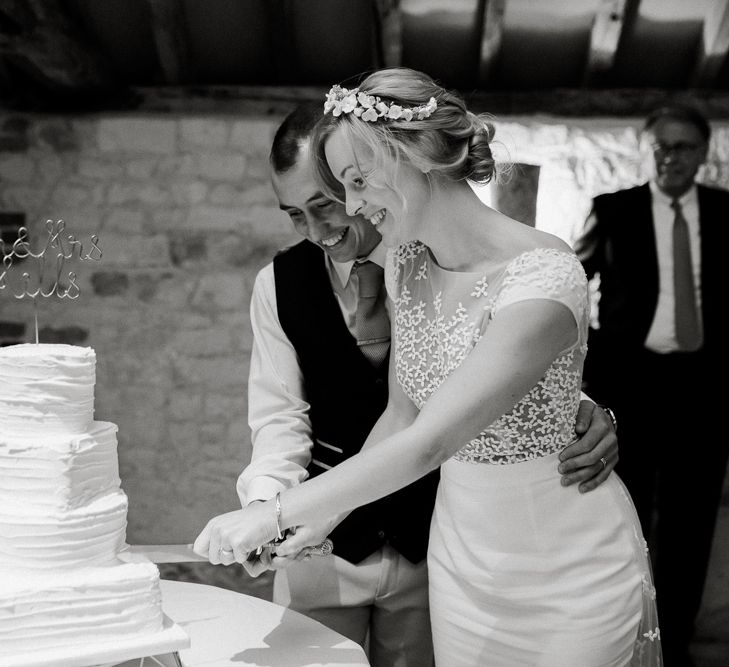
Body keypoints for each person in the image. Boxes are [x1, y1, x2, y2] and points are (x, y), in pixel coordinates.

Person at [195, 68, 659, 666]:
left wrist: (280, 513)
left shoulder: (545, 271)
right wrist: (317, 517)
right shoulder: (406, 267)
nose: (351, 207)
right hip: (461, 563)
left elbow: (431, 438)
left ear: (414, 156)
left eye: (355, 183)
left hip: (562, 562)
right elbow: (400, 413)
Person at [574, 103, 728, 666]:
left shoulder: (724, 211)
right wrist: (594, 358)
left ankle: (677, 650)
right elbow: (567, 286)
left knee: (691, 526)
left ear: (703, 152)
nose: (671, 156)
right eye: (661, 145)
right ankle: (624, 641)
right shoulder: (613, 210)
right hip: (629, 387)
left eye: (683, 146)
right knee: (625, 517)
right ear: (649, 150)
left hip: (707, 390)